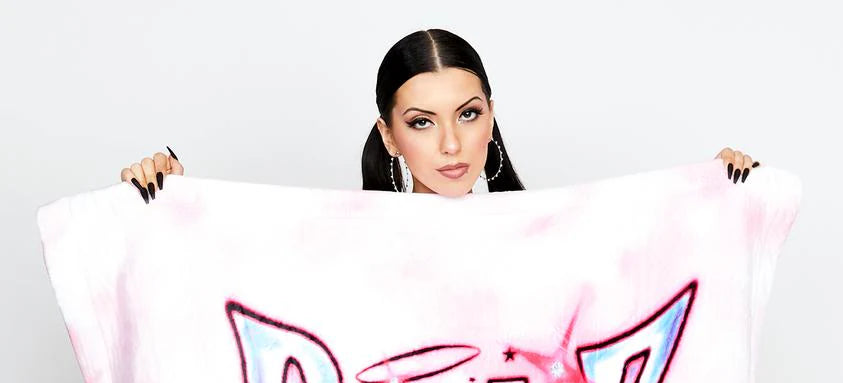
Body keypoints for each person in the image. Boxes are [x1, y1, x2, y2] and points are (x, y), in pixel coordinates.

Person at [118, 29, 760, 202]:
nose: (452, 144)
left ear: (491, 118)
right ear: (390, 136)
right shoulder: (346, 247)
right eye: (422, 122)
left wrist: (717, 198)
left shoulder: (550, 241)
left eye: (468, 114)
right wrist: (172, 203)